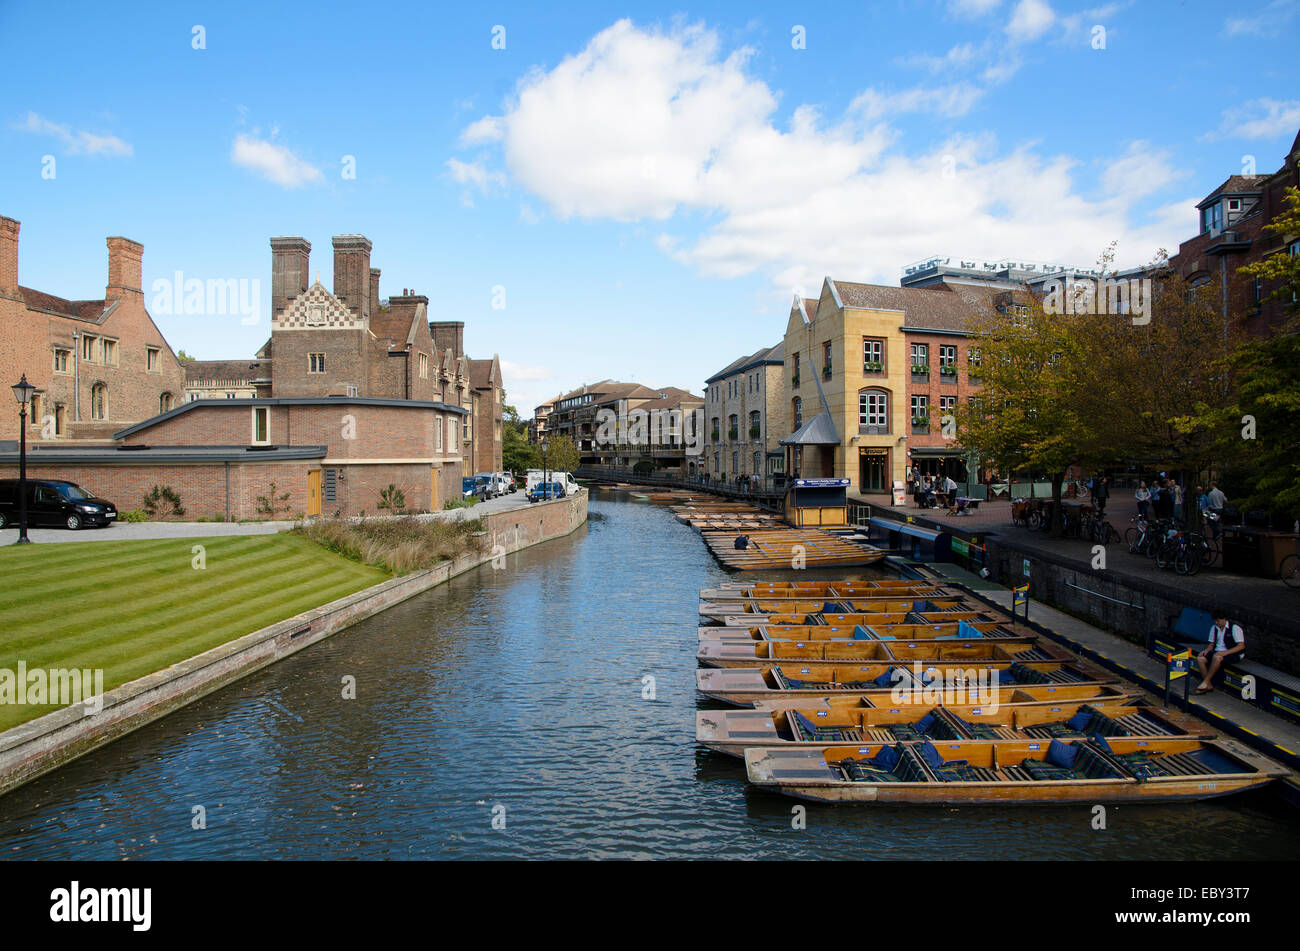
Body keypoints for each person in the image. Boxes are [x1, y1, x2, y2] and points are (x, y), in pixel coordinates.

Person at [1195, 611, 1245, 694]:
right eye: (1215, 621)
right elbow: (1211, 644)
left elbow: (1241, 646)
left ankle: (1205, 682)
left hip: (1233, 653)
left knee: (1217, 657)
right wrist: (1206, 651)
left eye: (1218, 621)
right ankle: (1209, 685)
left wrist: (1225, 653)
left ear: (1224, 619)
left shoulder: (1235, 628)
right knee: (1200, 659)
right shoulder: (1214, 628)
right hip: (1217, 651)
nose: (1216, 623)